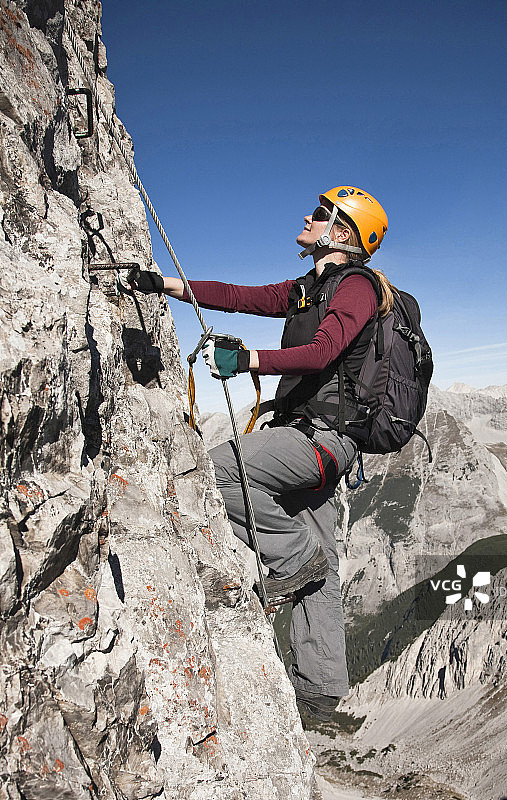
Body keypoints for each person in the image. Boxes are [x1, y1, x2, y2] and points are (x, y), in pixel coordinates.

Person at [131, 186, 392, 721]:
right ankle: (320, 693)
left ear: (342, 233)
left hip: (322, 441)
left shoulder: (358, 289)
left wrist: (248, 360)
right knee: (323, 565)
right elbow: (238, 296)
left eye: (320, 215)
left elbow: (323, 352)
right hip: (303, 435)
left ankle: (291, 558)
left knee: (210, 470)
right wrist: (165, 285)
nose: (307, 216)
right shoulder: (305, 289)